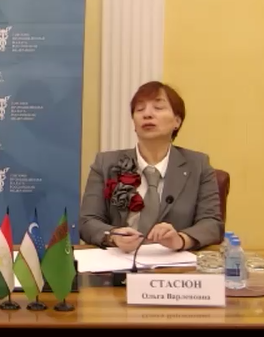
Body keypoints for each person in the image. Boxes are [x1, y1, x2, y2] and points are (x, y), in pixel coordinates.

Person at [78, 81, 223, 251]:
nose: (147, 114)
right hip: (121, 260)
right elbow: (87, 221)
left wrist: (181, 239)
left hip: (173, 262)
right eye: (140, 109)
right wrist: (113, 236)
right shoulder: (106, 163)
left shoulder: (198, 165)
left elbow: (212, 224)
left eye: (158, 108)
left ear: (177, 121)